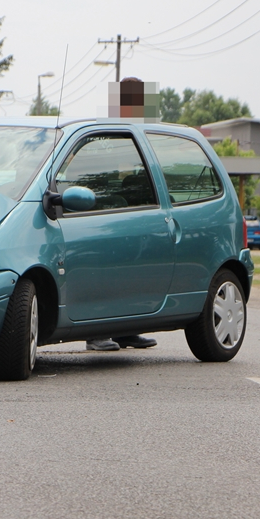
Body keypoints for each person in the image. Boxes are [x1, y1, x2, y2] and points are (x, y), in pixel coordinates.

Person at [86, 77, 158, 351]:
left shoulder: (137, 132)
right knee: (104, 271)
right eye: (133, 101)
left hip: (132, 206)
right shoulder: (102, 133)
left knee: (133, 272)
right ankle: (95, 333)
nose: (138, 107)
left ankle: (128, 331)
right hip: (102, 205)